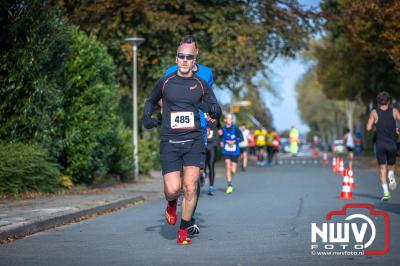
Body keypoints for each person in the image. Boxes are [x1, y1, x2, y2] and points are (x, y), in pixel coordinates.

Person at [142, 43, 221, 245]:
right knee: (173, 188)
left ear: (194, 61)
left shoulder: (202, 83)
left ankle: (183, 231)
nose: (185, 60)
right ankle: (170, 204)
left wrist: (214, 113)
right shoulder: (166, 82)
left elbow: (214, 106)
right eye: (181, 56)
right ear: (176, 59)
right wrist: (146, 118)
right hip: (170, 140)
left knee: (190, 187)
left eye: (189, 57)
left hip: (194, 140)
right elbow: (150, 101)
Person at [163, 35, 214, 235]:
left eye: (190, 53)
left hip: (198, 128)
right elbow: (162, 98)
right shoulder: (169, 72)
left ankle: (189, 219)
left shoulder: (207, 73)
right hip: (174, 130)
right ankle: (173, 200)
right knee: (177, 181)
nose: (186, 58)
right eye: (182, 54)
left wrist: (211, 116)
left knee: (194, 178)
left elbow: (209, 98)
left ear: (196, 53)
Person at [366, 91, 400, 201]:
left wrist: (374, 125)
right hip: (392, 144)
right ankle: (391, 174)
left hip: (380, 144)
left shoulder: (374, 112)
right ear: (389, 101)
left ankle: (386, 193)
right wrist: (397, 129)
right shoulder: (394, 111)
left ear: (378, 102)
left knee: (382, 168)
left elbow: (368, 128)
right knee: (392, 164)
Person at [219, 113, 243, 194]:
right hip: (226, 150)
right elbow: (221, 138)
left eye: (230, 118)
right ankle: (229, 185)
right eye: (227, 118)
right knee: (227, 166)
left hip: (235, 151)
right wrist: (222, 141)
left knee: (233, 170)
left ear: (232, 120)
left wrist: (234, 141)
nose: (229, 120)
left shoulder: (236, 128)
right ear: (225, 120)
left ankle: (231, 174)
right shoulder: (223, 129)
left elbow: (241, 138)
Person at [205, 118, 220, 195]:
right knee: (202, 167)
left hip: (212, 145)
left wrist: (220, 139)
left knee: (211, 165)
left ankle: (211, 186)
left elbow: (220, 129)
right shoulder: (201, 117)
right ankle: (203, 175)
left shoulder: (216, 119)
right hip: (202, 145)